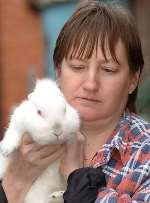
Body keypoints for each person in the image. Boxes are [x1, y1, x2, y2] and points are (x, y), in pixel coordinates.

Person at [0, 0, 150, 202]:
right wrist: (14, 181)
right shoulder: (26, 136)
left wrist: (76, 177)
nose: (90, 84)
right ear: (59, 71)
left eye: (108, 70)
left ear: (133, 79)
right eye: (78, 67)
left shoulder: (144, 154)